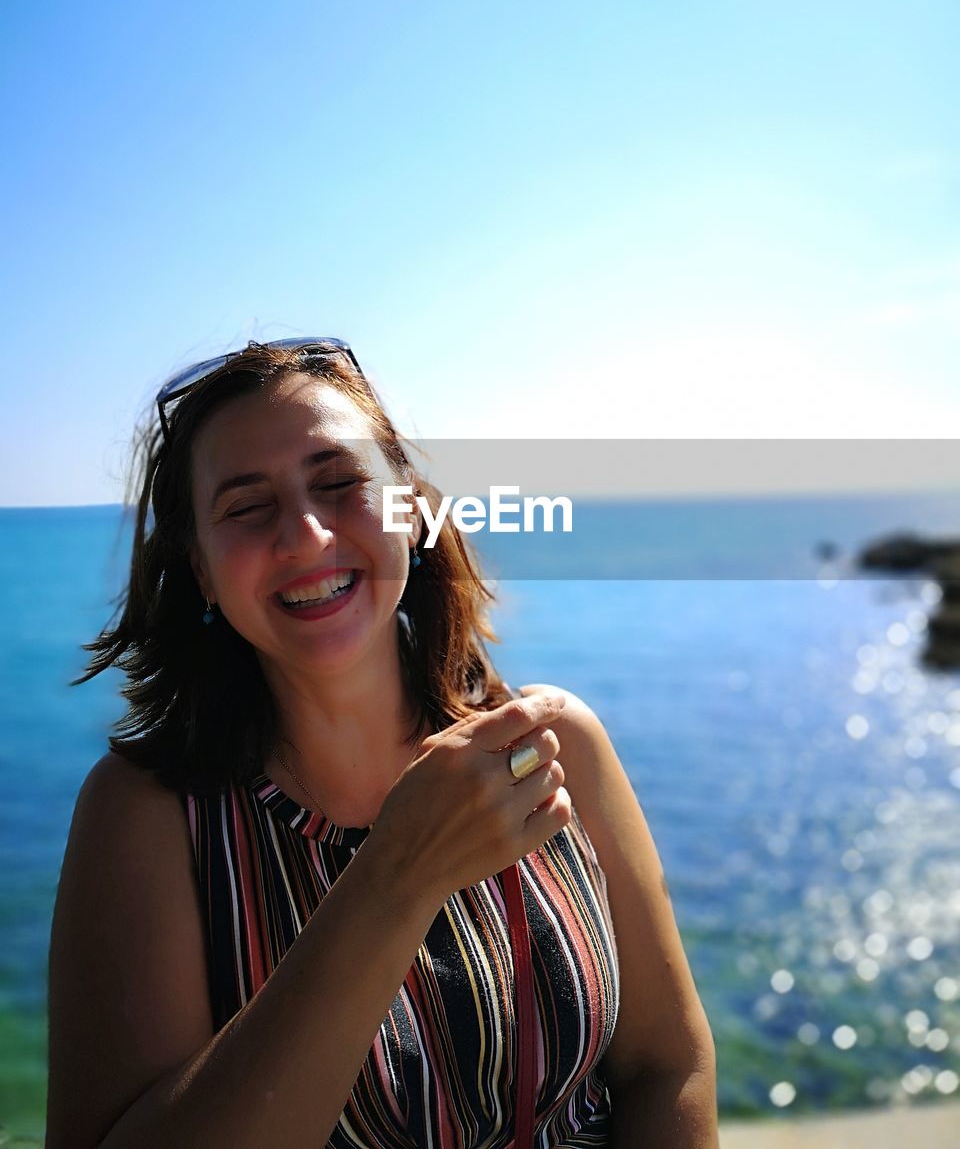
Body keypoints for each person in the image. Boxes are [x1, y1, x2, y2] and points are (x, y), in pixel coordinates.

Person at [45, 339, 718, 1148]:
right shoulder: (147, 816)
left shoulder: (555, 742)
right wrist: (396, 877)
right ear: (198, 565)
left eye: (339, 483)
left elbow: (665, 1063)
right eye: (246, 507)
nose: (305, 535)